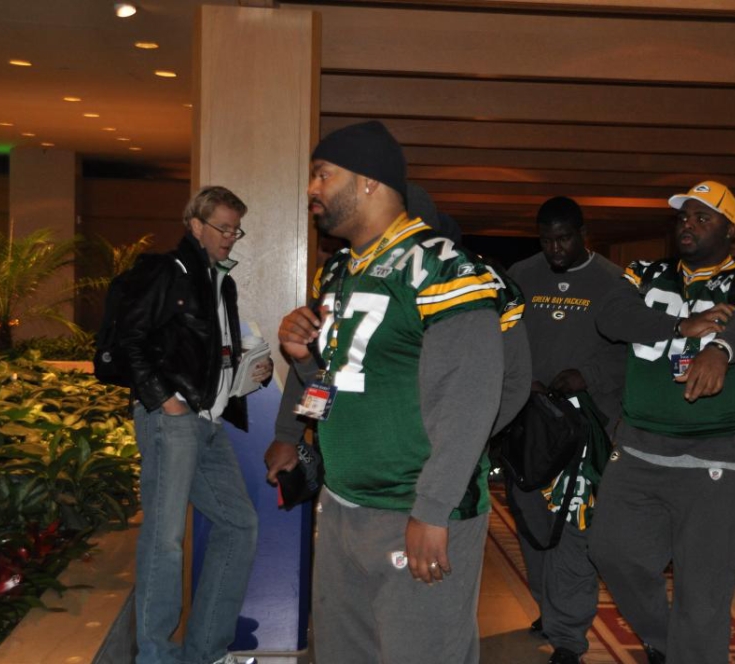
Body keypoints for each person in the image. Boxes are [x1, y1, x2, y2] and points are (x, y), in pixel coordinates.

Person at [263, 120, 506, 663]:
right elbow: (338, 384)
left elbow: (470, 398)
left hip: (412, 508)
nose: (312, 189)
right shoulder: (340, 271)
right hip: (344, 503)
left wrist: (433, 510)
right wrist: (301, 364)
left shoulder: (445, 268)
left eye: (323, 175)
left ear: (368, 181)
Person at [508, 196, 734, 664]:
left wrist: (587, 375)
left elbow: (633, 348)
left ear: (583, 234)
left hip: (588, 426)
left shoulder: (613, 280)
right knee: (532, 523)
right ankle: (550, 607)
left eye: (564, 239)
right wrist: (519, 378)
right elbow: (503, 336)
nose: (555, 249)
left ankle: (568, 635)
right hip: (529, 422)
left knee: (574, 524)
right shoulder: (521, 275)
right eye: (546, 240)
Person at [588, 181, 735, 664]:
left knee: (702, 587)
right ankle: (664, 638)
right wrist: (679, 326)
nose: (689, 226)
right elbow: (611, 316)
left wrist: (721, 349)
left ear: (729, 229)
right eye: (684, 217)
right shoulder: (644, 273)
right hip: (640, 446)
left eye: (702, 217)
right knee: (612, 551)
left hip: (719, 454)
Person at [117, 186, 271, 664]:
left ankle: (205, 653)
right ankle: (157, 657)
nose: (230, 237)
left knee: (240, 524)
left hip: (207, 421)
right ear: (195, 225)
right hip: (173, 419)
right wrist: (166, 401)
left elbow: (207, 353)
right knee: (165, 538)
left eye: (235, 230)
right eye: (223, 227)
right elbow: (128, 340)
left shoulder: (220, 282)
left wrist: (248, 373)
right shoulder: (167, 271)